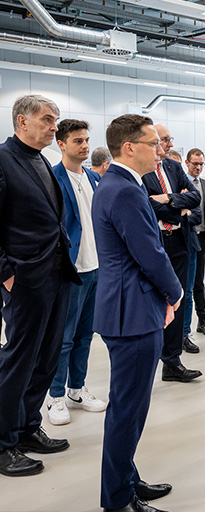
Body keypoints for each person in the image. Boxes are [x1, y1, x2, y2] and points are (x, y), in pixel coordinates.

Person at [93, 114, 181, 512]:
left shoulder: (118, 184)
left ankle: (125, 478)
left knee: (130, 406)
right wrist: (175, 293)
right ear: (130, 147)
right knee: (128, 409)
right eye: (152, 143)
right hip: (133, 310)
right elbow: (150, 253)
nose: (159, 150)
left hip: (128, 307)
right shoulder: (125, 190)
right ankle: (117, 499)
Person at [0, 95, 80, 477]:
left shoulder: (42, 163)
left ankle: (28, 426)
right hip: (25, 279)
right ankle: (3, 443)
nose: (54, 127)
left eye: (56, 120)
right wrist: (6, 274)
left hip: (55, 274)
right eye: (48, 120)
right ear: (22, 121)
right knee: (18, 360)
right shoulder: (3, 159)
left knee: (46, 358)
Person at [47, 119, 106, 426]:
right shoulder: (53, 178)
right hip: (70, 271)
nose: (84, 146)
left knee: (85, 335)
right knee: (64, 337)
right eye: (77, 141)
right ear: (61, 144)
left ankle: (76, 389)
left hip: (96, 268)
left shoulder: (94, 179)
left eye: (86, 140)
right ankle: (55, 397)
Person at [142, 124, 203, 383]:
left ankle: (172, 361)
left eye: (168, 139)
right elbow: (148, 206)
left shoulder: (174, 167)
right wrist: (178, 206)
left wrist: (168, 199)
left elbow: (195, 197)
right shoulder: (141, 172)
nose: (168, 144)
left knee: (177, 300)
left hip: (179, 242)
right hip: (155, 243)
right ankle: (146, 362)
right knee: (152, 302)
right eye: (163, 140)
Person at [182, 148, 205, 355]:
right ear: (187, 163)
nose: (198, 167)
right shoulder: (182, 185)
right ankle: (184, 330)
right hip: (187, 239)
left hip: (203, 238)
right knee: (186, 285)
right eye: (195, 163)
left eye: (201, 164)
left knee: (199, 283)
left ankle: (202, 320)